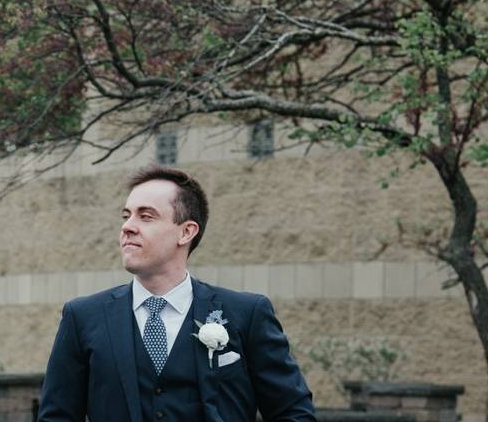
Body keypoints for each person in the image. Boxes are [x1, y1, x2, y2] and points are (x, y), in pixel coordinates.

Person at [38, 165, 317, 422]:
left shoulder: (247, 313)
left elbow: (293, 413)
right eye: (127, 216)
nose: (128, 226)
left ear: (186, 232)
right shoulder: (83, 317)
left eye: (146, 216)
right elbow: (57, 417)